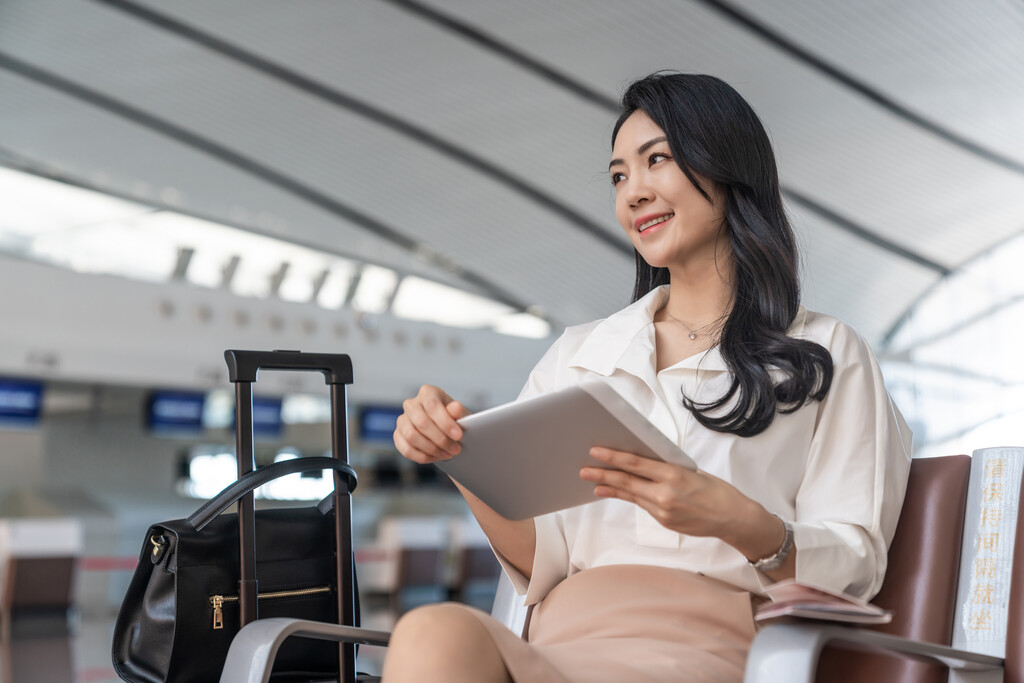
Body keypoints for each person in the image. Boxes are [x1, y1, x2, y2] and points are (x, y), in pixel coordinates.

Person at [383, 72, 912, 683]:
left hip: (709, 653)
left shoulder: (823, 353)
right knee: (430, 630)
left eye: (655, 160)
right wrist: (461, 456)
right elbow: (543, 556)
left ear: (726, 165)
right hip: (556, 646)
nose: (631, 193)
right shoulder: (578, 354)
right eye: (618, 176)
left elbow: (857, 562)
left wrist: (738, 521)